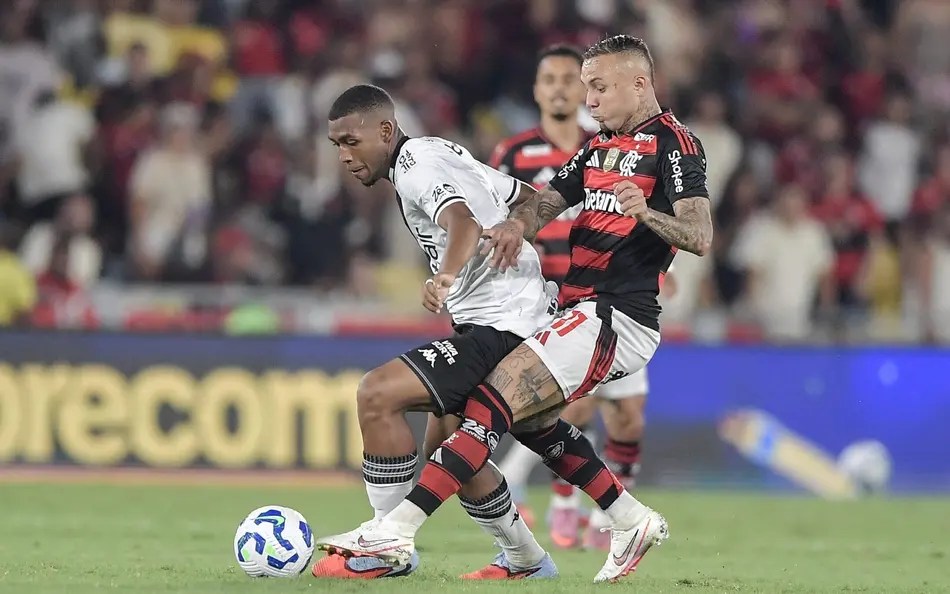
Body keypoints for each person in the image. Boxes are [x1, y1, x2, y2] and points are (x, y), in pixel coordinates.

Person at [316, 34, 713, 583]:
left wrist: (646, 213)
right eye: (585, 90)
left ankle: (394, 530)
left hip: (617, 316)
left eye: (597, 88)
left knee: (488, 407)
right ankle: (627, 519)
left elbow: (699, 234)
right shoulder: (600, 146)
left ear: (639, 83)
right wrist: (515, 226)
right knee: (534, 426)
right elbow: (547, 198)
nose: (588, 101)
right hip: (573, 308)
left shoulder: (676, 145)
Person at [311, 84, 559, 580]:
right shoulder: (443, 151)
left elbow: (462, 223)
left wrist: (446, 277)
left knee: (377, 394)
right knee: (449, 449)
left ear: (385, 130)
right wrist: (514, 236)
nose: (343, 155)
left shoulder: (415, 166)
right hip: (514, 318)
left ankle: (383, 544)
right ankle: (528, 562)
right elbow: (530, 198)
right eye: (336, 144)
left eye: (350, 141)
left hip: (502, 324)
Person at [491, 43, 658, 551]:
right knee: (574, 405)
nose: (564, 88)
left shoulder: (612, 145)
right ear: (538, 90)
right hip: (548, 299)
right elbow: (499, 219)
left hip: (616, 295)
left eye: (574, 79)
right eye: (553, 79)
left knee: (628, 414)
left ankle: (604, 514)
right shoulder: (515, 154)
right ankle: (566, 510)